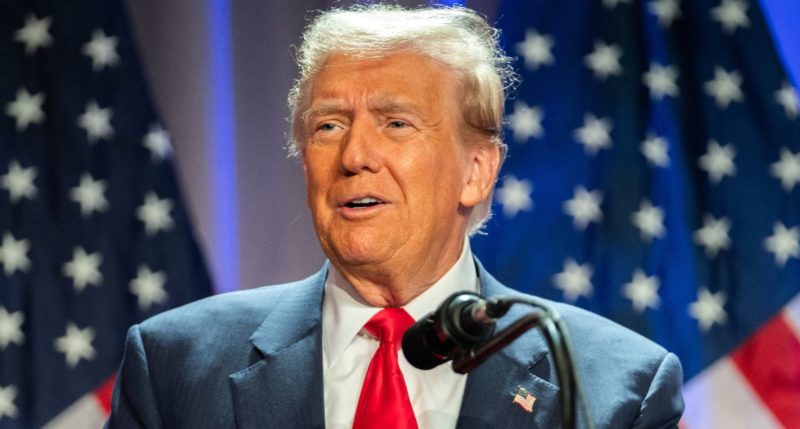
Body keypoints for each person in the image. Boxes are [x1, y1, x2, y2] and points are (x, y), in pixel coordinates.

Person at [107, 4, 684, 428]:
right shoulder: (174, 367)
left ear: (476, 171)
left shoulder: (615, 387)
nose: (354, 156)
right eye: (328, 125)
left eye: (396, 123)